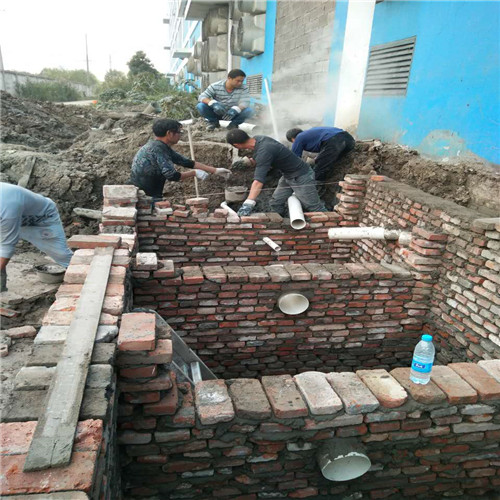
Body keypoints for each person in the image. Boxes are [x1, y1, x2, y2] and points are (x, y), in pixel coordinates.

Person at [226, 129, 327, 217]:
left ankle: (332, 227)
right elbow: (266, 157)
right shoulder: (259, 139)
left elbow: (258, 181)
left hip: (301, 176)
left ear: (236, 145)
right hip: (288, 175)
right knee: (276, 203)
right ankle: (279, 223)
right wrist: (250, 161)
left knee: (313, 206)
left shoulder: (264, 151)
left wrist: (248, 202)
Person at [130, 119, 231, 200]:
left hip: (146, 192)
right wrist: (194, 173)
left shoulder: (158, 146)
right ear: (169, 133)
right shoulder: (158, 149)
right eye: (179, 132)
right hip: (145, 197)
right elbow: (172, 175)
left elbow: (185, 162)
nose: (180, 135)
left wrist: (215, 170)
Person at [0, 183, 73, 292]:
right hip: (9, 219)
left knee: (62, 255)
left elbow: (6, 247)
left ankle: (84, 277)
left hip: (41, 220)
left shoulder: (7, 205)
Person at [286, 126, 355, 182]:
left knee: (319, 169)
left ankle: (317, 187)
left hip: (335, 140)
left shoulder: (299, 138)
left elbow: (294, 159)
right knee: (328, 161)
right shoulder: (311, 132)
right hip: (349, 139)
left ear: (292, 139)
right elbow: (325, 150)